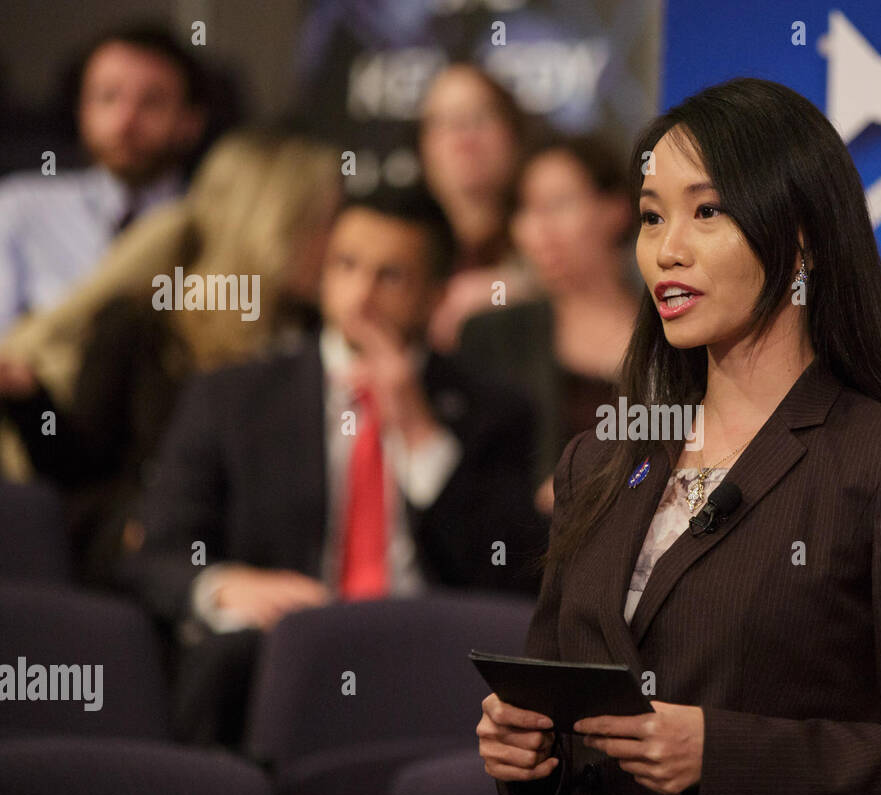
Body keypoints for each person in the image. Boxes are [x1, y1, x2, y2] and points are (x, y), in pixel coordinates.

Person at [476, 78, 881, 795]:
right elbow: (558, 708)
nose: (667, 249)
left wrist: (724, 754)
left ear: (802, 238)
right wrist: (527, 757)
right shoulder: (599, 458)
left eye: (707, 211)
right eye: (652, 215)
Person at [121, 186, 547, 747]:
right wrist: (225, 585)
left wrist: (419, 434)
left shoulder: (493, 411)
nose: (361, 294)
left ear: (435, 295)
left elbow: (511, 576)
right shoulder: (232, 399)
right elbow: (155, 552)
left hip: (426, 662)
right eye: (346, 266)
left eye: (390, 276)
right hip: (278, 657)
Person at [0, 131, 340, 587]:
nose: (342, 240)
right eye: (327, 221)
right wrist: (29, 400)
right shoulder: (144, 325)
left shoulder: (323, 338)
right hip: (152, 577)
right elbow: (79, 472)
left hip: (286, 579)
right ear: (273, 227)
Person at [457, 133, 639, 515]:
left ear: (616, 209)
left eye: (559, 205)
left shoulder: (676, 332)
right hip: (531, 551)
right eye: (525, 209)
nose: (538, 229)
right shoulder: (494, 335)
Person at [0, 24, 208, 332]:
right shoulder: (22, 206)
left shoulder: (210, 222)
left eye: (151, 102)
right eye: (107, 97)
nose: (125, 121)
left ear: (190, 122)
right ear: (81, 110)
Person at [415, 61, 540, 353]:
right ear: (422, 146)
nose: (463, 139)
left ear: (514, 134)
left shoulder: (543, 234)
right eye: (444, 122)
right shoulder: (405, 238)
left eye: (480, 118)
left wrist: (517, 288)